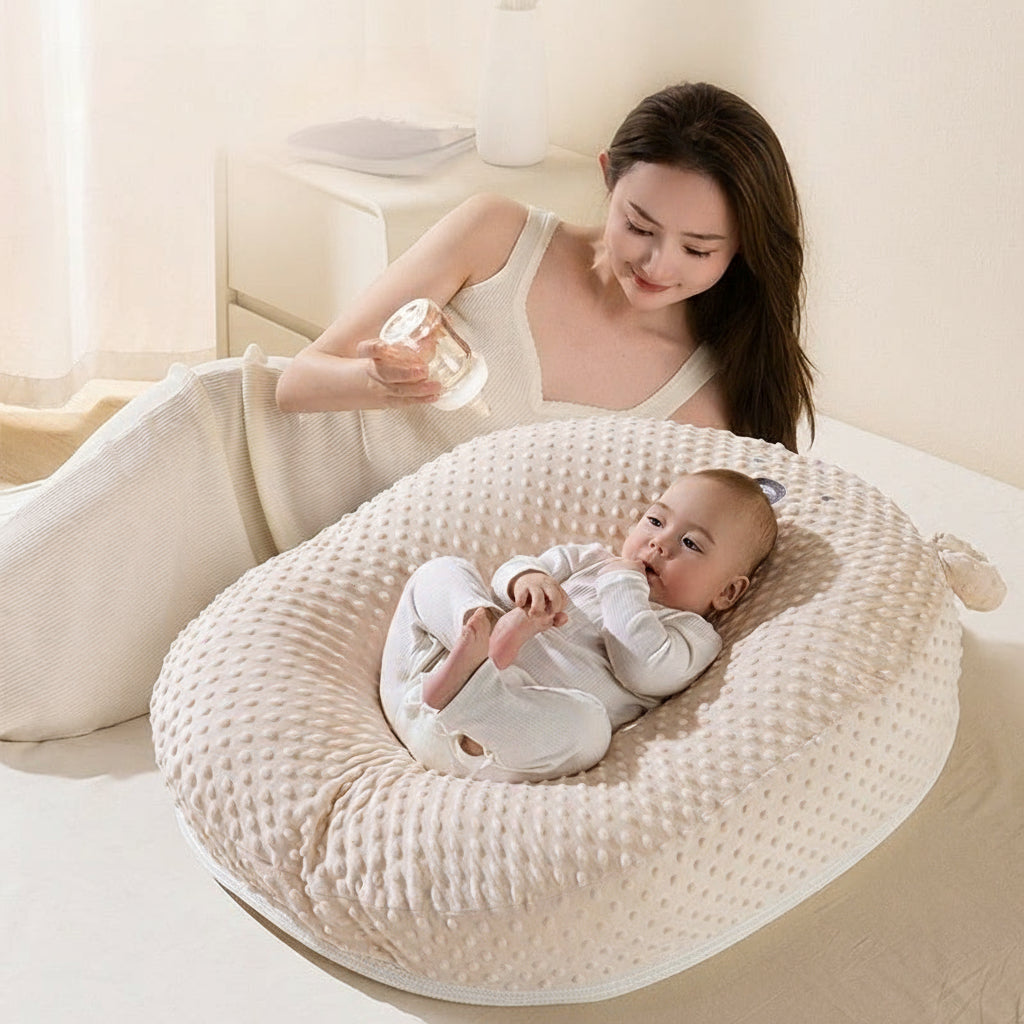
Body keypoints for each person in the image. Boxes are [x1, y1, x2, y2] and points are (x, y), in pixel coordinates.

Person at [0, 81, 811, 742]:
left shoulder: (703, 409)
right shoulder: (501, 234)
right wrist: (383, 384)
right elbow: (298, 379)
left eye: (699, 249)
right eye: (640, 224)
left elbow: (672, 574)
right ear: (608, 175)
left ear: (740, 250)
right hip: (229, 460)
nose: (658, 262)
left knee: (60, 705)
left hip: (318, 586)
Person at [379, 469, 778, 782]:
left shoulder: (691, 634)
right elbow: (511, 569)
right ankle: (475, 629)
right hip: (414, 687)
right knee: (442, 571)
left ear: (727, 593)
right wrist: (528, 581)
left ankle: (472, 690)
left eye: (690, 544)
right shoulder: (590, 559)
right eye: (656, 521)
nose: (659, 544)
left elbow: (643, 667)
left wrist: (622, 582)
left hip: (479, 743)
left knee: (589, 732)